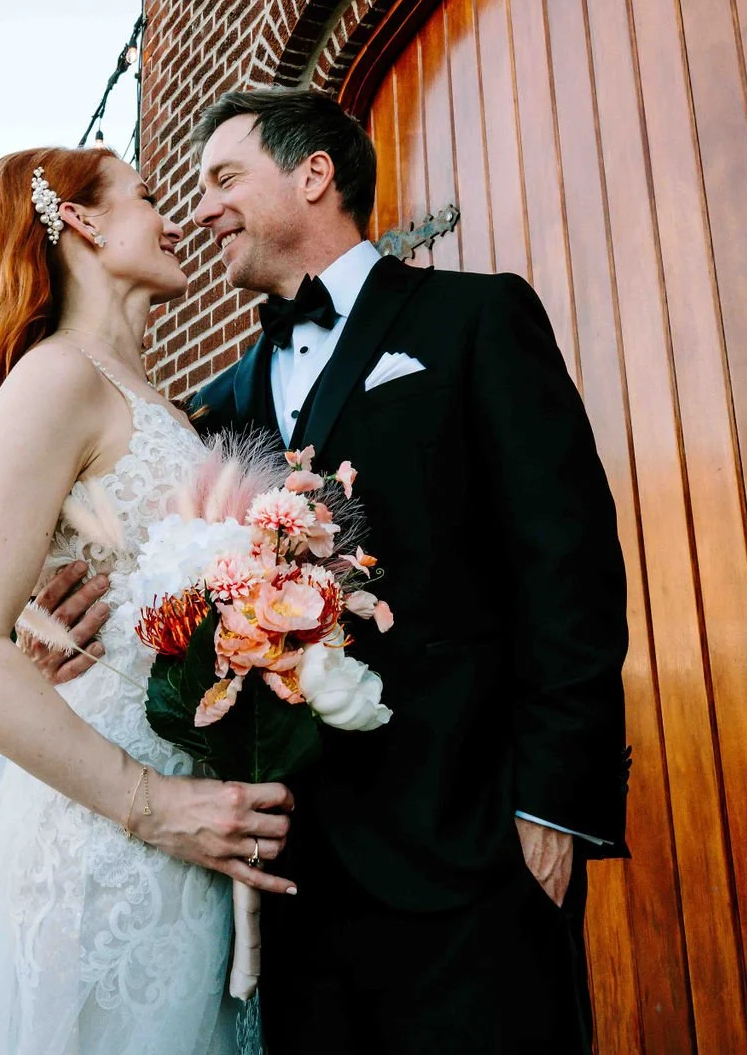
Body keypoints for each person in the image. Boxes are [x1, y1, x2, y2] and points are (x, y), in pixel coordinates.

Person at [42, 86, 630, 1053]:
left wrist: (551, 804)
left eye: (225, 177)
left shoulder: (475, 319)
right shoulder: (215, 408)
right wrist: (55, 628)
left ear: (314, 174)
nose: (201, 208)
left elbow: (568, 563)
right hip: (294, 872)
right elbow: (130, 557)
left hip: (472, 842)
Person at [0, 145, 296, 1055]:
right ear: (88, 223)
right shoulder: (58, 379)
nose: (175, 217)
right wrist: (154, 806)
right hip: (107, 834)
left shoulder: (171, 414)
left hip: (194, 833)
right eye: (148, 199)